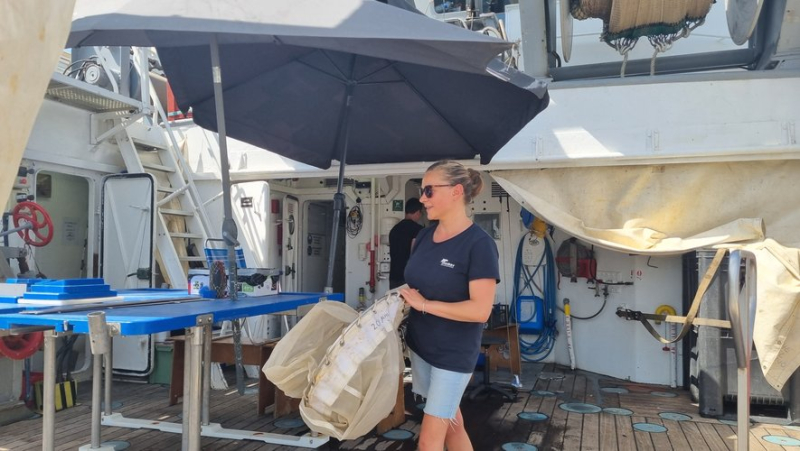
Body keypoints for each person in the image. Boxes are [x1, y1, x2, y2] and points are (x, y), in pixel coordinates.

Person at [400, 160, 499, 451]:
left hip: (452, 357)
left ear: (456, 192)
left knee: (429, 442)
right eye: (422, 190)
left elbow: (480, 310)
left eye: (429, 190)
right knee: (454, 425)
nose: (421, 198)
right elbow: (415, 286)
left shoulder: (479, 244)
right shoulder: (423, 237)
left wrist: (425, 304)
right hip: (421, 348)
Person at [388, 197, 424, 289]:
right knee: (409, 303)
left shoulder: (394, 229)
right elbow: (414, 253)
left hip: (394, 276)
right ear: (418, 212)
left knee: (395, 302)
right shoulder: (418, 229)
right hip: (409, 276)